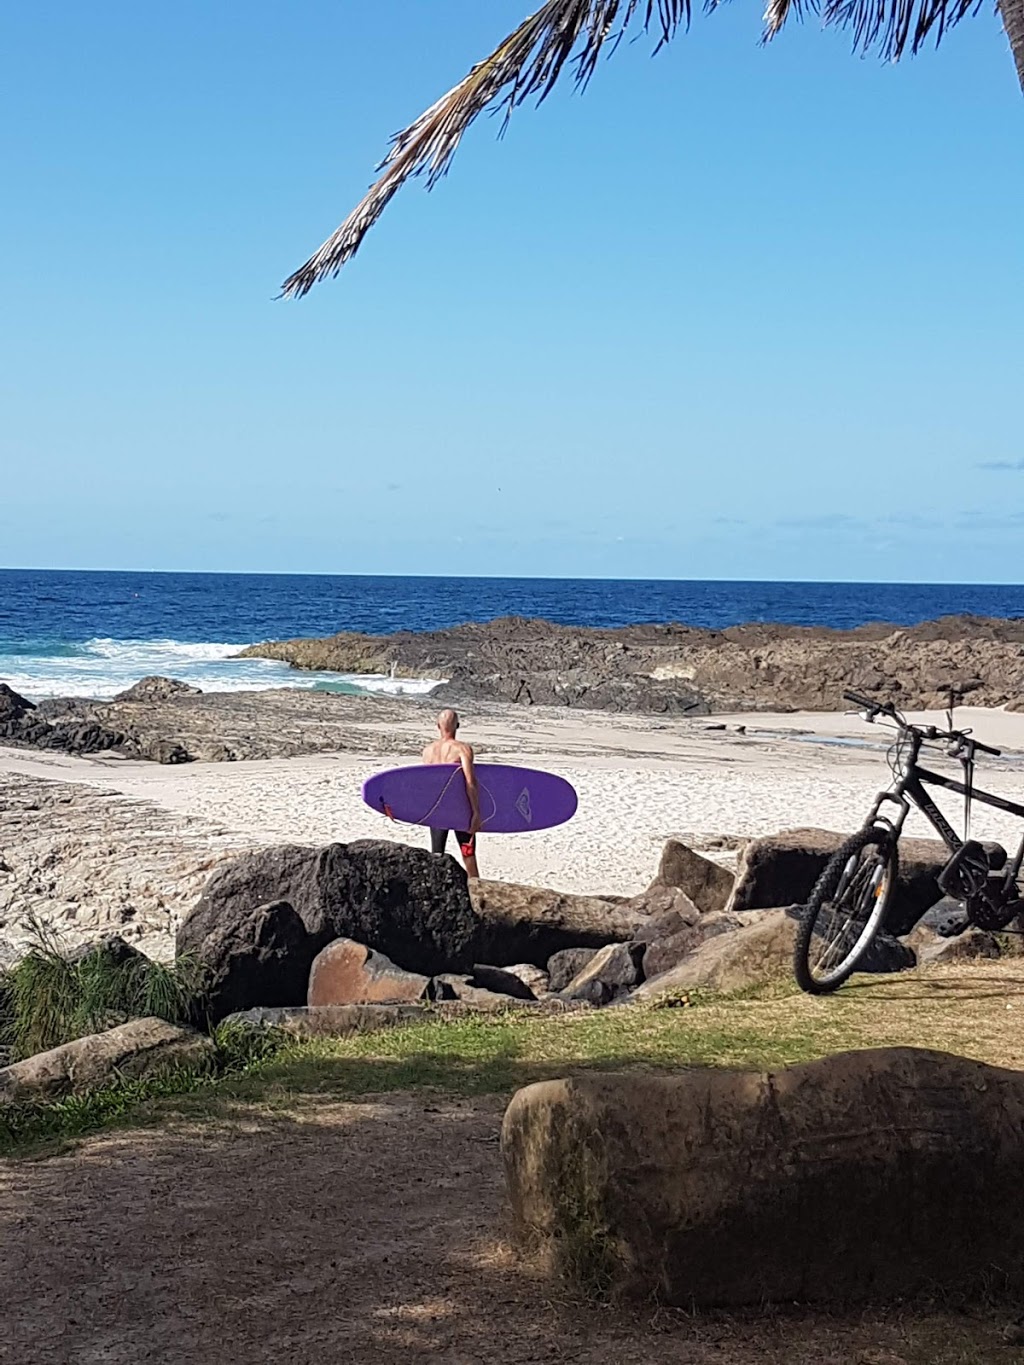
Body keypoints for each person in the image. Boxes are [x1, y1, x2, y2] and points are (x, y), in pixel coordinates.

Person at [422, 708, 481, 878]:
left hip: (437, 810)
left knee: (436, 855)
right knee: (468, 855)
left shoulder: (427, 751)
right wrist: (476, 812)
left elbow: (425, 784)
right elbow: (470, 782)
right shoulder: (462, 749)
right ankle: (475, 894)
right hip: (459, 809)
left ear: (437, 726)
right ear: (458, 726)